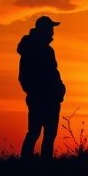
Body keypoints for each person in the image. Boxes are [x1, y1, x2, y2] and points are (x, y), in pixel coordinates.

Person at [17, 15, 66, 159]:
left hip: (51, 97)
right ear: (43, 29)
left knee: (49, 134)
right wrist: (35, 91)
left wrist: (59, 89)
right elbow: (26, 76)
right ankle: (26, 165)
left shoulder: (47, 50)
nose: (52, 31)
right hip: (40, 97)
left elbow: (53, 72)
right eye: (50, 28)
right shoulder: (32, 49)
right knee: (35, 132)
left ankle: (45, 165)